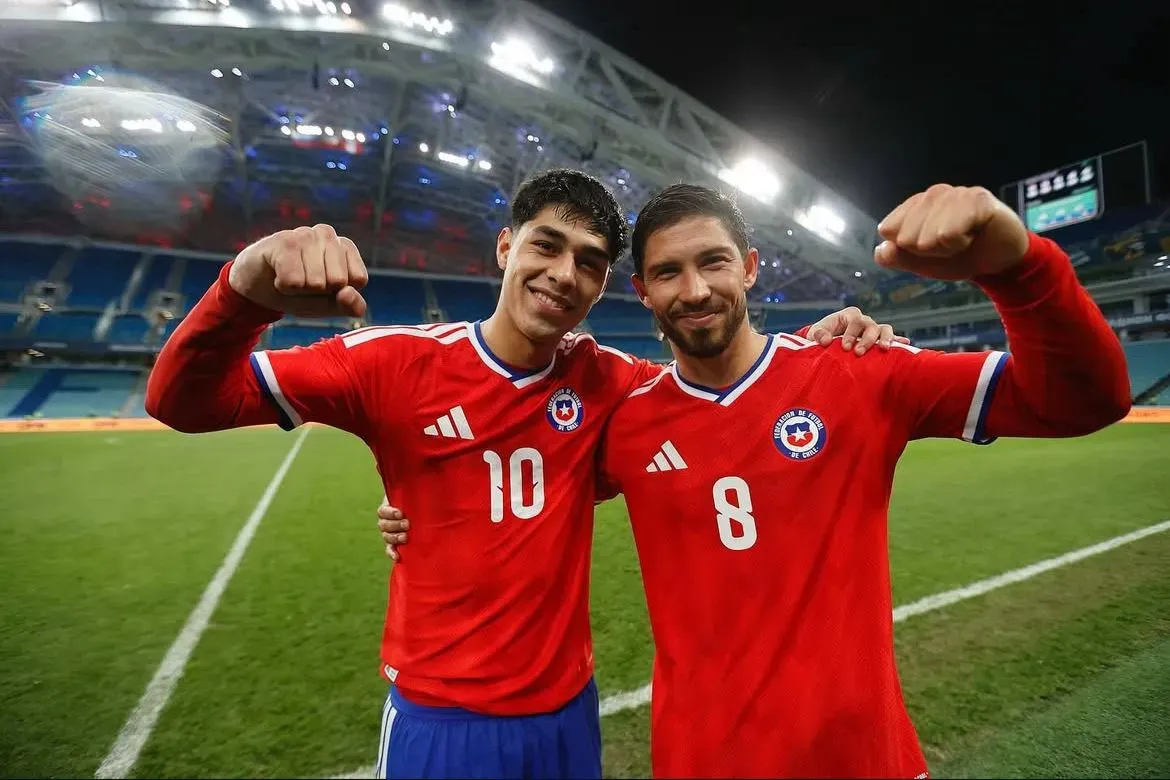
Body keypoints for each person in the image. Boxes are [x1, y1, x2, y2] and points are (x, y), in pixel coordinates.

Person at [145, 168, 899, 780]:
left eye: (590, 264)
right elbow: (183, 401)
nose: (563, 274)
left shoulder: (611, 382)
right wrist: (243, 290)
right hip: (441, 721)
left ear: (606, 287)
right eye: (547, 245)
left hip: (568, 716)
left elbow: (723, 381)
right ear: (506, 247)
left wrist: (832, 336)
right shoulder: (393, 362)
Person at [379, 182, 1131, 778]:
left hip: (863, 763)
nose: (696, 289)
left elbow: (1083, 400)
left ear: (749, 264)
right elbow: (521, 478)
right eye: (669, 272)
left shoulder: (861, 375)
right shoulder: (629, 424)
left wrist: (1018, 265)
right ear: (642, 291)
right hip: (699, 763)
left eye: (712, 262)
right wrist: (416, 507)